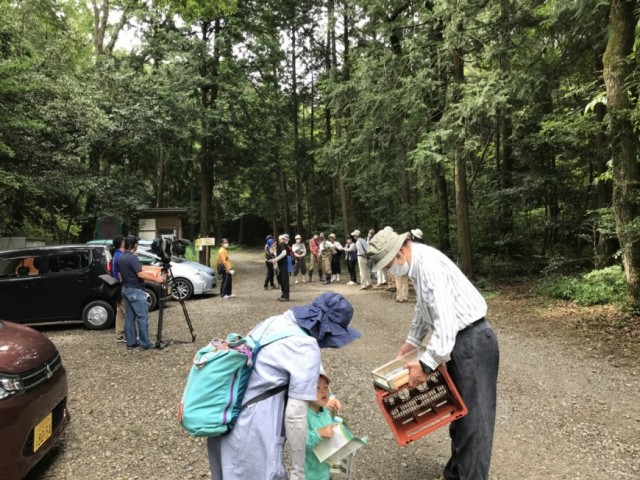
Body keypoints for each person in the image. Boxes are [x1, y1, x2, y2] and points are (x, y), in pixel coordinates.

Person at [367, 229, 499, 480]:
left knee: (475, 422)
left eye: (388, 264)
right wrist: (412, 341)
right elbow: (424, 307)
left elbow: (446, 324)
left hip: (473, 340)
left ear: (400, 251)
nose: (389, 271)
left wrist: (425, 365)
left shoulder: (429, 267)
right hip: (462, 342)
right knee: (459, 413)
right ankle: (455, 473)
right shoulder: (418, 265)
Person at [206, 292, 361, 480]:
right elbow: (295, 416)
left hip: (227, 419)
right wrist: (298, 472)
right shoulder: (305, 345)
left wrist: (331, 394)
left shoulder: (276, 322)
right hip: (253, 433)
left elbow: (300, 364)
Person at [118, 235, 155, 350]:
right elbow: (140, 274)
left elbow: (121, 275)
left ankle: (131, 342)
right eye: (137, 244)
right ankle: (145, 343)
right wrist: (156, 279)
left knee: (129, 317)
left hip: (125, 289)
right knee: (142, 317)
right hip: (135, 290)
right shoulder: (133, 258)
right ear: (134, 245)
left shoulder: (121, 257)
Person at [305, 372, 338, 480]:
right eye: (317, 387)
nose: (323, 390)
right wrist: (319, 433)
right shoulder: (303, 415)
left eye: (326, 386)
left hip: (326, 472)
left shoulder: (325, 411)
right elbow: (301, 444)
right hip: (310, 475)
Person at [111, 235, 126, 342]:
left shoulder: (117, 254)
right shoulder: (120, 256)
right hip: (121, 286)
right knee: (127, 311)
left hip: (116, 286)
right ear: (121, 243)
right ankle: (129, 335)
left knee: (120, 312)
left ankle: (119, 334)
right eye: (124, 241)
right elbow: (121, 274)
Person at [272, 234, 291, 301]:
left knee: (284, 280)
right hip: (284, 265)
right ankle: (284, 295)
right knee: (283, 279)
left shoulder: (281, 244)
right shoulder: (285, 245)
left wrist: (276, 259)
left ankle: (286, 296)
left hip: (283, 265)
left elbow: (284, 253)